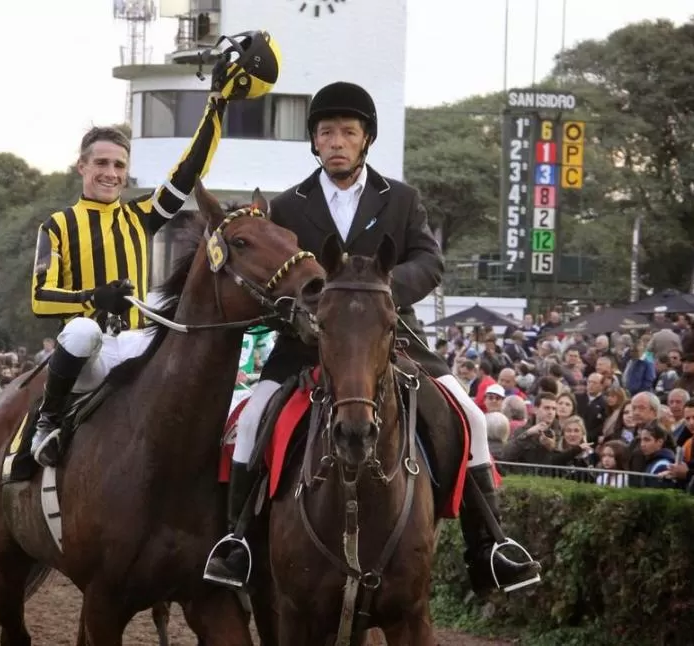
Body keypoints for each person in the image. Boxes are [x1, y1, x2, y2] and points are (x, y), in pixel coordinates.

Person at [202, 81, 542, 596]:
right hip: (307, 342)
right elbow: (275, 276)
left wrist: (382, 291)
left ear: (366, 140)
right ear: (315, 143)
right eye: (326, 133)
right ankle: (239, 544)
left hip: (393, 336)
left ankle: (490, 546)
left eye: (348, 132)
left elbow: (430, 261)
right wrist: (301, 311)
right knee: (250, 422)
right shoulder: (288, 206)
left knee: (470, 415)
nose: (337, 141)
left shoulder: (401, 198)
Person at [28, 31, 282, 468]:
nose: (110, 173)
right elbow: (39, 299)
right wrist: (92, 299)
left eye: (119, 165)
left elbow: (189, 170)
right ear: (82, 167)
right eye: (101, 163)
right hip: (88, 352)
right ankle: (47, 422)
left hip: (137, 342)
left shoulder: (139, 216)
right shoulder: (56, 225)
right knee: (83, 331)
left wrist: (216, 103)